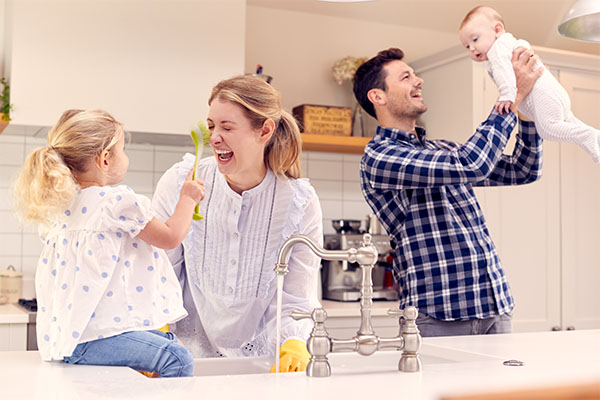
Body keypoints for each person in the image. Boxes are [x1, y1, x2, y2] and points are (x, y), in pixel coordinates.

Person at [352, 47, 543, 337]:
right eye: (406, 77)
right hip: (438, 317)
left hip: (494, 306)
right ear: (378, 96)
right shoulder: (380, 157)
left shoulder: (442, 150)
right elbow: (472, 164)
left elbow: (522, 169)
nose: (419, 81)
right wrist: (511, 96)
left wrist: (527, 113)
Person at [13, 109, 205, 377]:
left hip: (70, 340)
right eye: (123, 150)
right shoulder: (116, 202)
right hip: (95, 339)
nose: (126, 157)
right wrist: (188, 198)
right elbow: (171, 237)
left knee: (170, 343)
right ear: (104, 159)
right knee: (179, 359)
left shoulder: (62, 207)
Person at [152, 75, 323, 372]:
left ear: (265, 130)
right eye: (211, 127)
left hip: (264, 366)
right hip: (183, 362)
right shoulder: (182, 182)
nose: (215, 137)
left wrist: (293, 343)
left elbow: (296, 295)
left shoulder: (299, 202)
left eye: (227, 127)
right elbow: (159, 272)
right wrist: (155, 331)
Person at [459, 5, 600, 163]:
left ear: (497, 30)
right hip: (554, 92)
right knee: (569, 121)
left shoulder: (496, 51)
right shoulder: (511, 43)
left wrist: (507, 95)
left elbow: (503, 74)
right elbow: (523, 45)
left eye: (475, 39)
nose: (472, 48)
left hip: (544, 96)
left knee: (547, 129)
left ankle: (589, 135)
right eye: (467, 46)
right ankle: (595, 137)